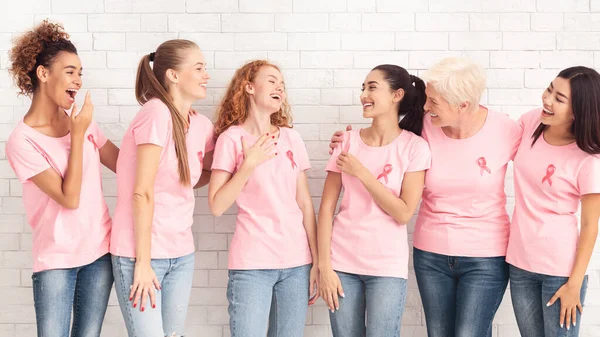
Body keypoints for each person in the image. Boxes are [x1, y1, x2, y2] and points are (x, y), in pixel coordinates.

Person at [328, 57, 522, 337]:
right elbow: (386, 141)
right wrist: (345, 141)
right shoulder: (423, 125)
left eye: (434, 101)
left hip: (486, 255)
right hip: (431, 254)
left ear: (463, 105)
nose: (426, 106)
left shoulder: (506, 130)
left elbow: (539, 163)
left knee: (470, 332)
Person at [6, 20, 119, 337]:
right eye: (70, 71)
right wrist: (79, 134)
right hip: (56, 261)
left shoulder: (80, 122)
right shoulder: (22, 141)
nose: (78, 80)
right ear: (43, 74)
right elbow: (70, 198)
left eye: (80, 72)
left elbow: (124, 165)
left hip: (99, 254)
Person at [110, 39, 215, 337]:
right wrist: (143, 265)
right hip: (139, 255)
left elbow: (197, 176)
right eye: (199, 67)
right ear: (173, 75)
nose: (206, 74)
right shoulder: (156, 113)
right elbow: (141, 192)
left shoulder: (201, 125)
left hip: (181, 253)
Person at [317, 65, 430, 337]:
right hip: (341, 264)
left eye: (372, 87)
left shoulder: (414, 147)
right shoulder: (347, 141)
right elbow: (326, 209)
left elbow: (403, 213)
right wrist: (324, 267)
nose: (363, 95)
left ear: (397, 95)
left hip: (386, 267)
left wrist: (362, 173)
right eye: (363, 88)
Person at [208, 60, 318, 337]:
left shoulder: (291, 138)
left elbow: (305, 204)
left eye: (281, 83)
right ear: (248, 87)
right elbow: (217, 205)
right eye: (271, 80)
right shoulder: (231, 139)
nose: (279, 86)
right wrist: (248, 164)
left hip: (297, 264)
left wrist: (317, 262)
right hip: (252, 264)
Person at [507, 66, 600, 337]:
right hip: (520, 262)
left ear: (578, 111)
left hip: (560, 270)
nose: (547, 99)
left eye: (559, 99)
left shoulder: (588, 160)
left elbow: (590, 226)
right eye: (550, 89)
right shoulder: (531, 123)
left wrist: (573, 284)